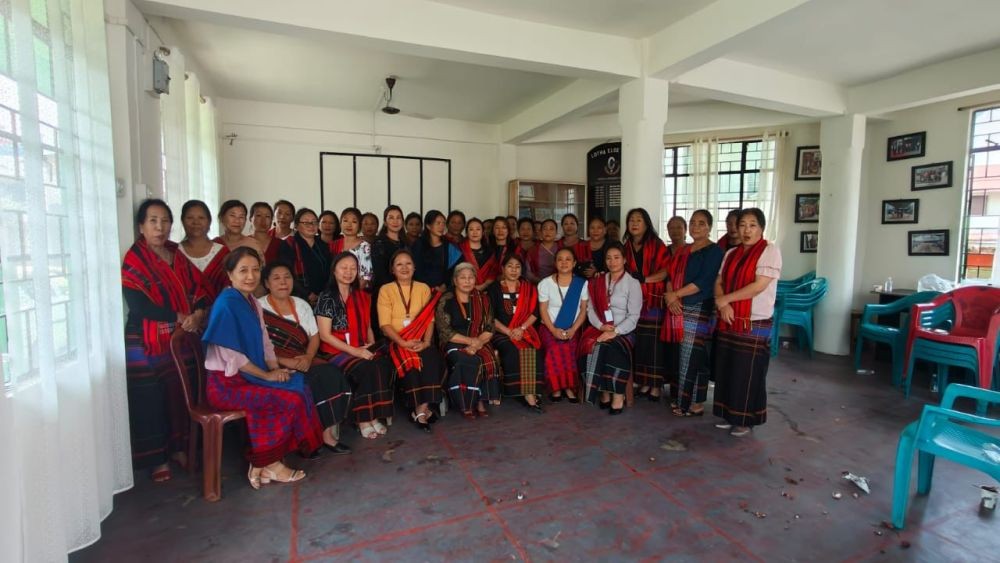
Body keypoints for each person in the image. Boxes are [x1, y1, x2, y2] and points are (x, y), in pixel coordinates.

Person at [202, 247, 323, 489]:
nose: (250, 276)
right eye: (243, 271)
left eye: (255, 270)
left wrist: (276, 369)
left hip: (248, 377)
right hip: (227, 386)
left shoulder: (251, 302)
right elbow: (233, 357)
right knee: (285, 398)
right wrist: (267, 376)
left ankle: (269, 462)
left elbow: (265, 342)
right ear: (230, 274)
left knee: (298, 384)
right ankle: (269, 463)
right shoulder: (226, 304)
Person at [122, 199, 208, 482]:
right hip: (146, 339)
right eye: (153, 221)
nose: (160, 227)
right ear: (141, 226)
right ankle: (157, 459)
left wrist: (198, 313)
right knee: (150, 399)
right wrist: (179, 315)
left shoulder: (176, 254)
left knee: (183, 390)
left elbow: (199, 287)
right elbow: (138, 305)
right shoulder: (135, 259)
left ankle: (180, 447)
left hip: (181, 334)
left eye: (165, 221)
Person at [259, 261, 352, 454]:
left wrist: (308, 358)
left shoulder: (301, 304)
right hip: (274, 363)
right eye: (276, 278)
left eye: (287, 277)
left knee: (331, 374)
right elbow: (258, 346)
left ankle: (327, 436)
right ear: (267, 283)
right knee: (307, 384)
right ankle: (307, 441)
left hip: (303, 358)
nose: (283, 282)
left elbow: (314, 336)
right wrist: (286, 361)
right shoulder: (258, 308)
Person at [712, 208, 782, 437]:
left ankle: (745, 420)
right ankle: (729, 414)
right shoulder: (731, 253)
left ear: (761, 228)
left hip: (754, 321)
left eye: (752, 225)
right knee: (728, 368)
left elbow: (759, 285)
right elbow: (719, 281)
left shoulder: (770, 251)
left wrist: (726, 299)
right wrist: (723, 304)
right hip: (729, 317)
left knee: (748, 371)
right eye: (742, 225)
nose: (746, 230)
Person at [315, 252, 396, 440]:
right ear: (334, 270)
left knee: (383, 364)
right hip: (336, 351)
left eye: (353, 268)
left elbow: (367, 326)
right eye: (344, 267)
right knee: (365, 368)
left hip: (360, 347)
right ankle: (363, 419)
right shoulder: (327, 297)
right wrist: (356, 352)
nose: (348, 272)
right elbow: (325, 335)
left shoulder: (361, 296)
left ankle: (375, 414)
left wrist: (370, 345)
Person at [661, 210, 724, 417]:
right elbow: (670, 275)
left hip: (699, 306)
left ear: (709, 227)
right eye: (693, 222)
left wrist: (675, 295)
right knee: (684, 355)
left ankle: (688, 404)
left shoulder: (714, 251)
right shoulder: (683, 250)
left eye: (701, 223)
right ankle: (690, 401)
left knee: (692, 356)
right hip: (678, 306)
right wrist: (671, 296)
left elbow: (704, 282)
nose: (696, 226)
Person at [377, 249, 444, 433]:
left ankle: (421, 409)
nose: (404, 267)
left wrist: (427, 342)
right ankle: (421, 410)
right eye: (399, 264)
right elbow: (385, 324)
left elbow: (430, 319)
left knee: (431, 357)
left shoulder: (423, 288)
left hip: (421, 338)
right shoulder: (386, 290)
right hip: (396, 341)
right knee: (411, 362)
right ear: (392, 269)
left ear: (414, 267)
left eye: (408, 263)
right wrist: (403, 342)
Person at [579, 242, 642, 414]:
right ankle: (604, 391)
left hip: (624, 331)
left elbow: (633, 316)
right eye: (608, 258)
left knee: (611, 346)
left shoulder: (632, 283)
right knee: (590, 346)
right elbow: (590, 309)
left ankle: (618, 394)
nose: (612, 262)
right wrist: (601, 326)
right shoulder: (597, 281)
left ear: (624, 260)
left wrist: (615, 331)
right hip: (600, 327)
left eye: (616, 257)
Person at [436, 263, 500, 418]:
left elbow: (490, 327)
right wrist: (471, 342)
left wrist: (477, 344)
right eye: (463, 278)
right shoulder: (446, 300)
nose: (467, 281)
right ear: (455, 280)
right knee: (466, 360)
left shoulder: (483, 298)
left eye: (471, 277)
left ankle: (480, 400)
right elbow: (445, 331)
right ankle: (467, 403)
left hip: (480, 340)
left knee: (487, 358)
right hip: (454, 341)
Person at [623, 208, 670, 400]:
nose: (634, 223)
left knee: (654, 344)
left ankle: (655, 386)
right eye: (631, 220)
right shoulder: (626, 246)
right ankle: (643, 382)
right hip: (633, 300)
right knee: (640, 343)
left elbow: (666, 270)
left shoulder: (657, 244)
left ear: (646, 223)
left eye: (639, 220)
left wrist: (645, 279)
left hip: (653, 300)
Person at [488, 254, 544, 413]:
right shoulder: (494, 288)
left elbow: (535, 313)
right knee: (512, 349)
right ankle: (527, 394)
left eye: (517, 267)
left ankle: (530, 390)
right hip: (501, 332)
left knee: (532, 348)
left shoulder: (529, 288)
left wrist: (522, 328)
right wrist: (508, 331)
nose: (514, 270)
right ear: (503, 268)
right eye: (510, 266)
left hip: (524, 330)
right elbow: (490, 316)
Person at [537, 247, 588, 403]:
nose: (564, 262)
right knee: (554, 348)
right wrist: (553, 330)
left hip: (572, 328)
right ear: (555, 263)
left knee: (570, 348)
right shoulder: (545, 284)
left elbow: (583, 310)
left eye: (568, 259)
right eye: (560, 259)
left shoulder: (581, 284)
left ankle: (569, 387)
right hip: (549, 327)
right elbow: (543, 310)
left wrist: (573, 329)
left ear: (574, 263)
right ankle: (557, 388)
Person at [179, 199, 230, 302]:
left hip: (218, 309)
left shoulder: (222, 252)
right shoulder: (174, 253)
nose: (196, 222)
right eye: (190, 218)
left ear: (209, 221)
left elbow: (230, 286)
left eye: (201, 218)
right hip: (183, 311)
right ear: (182, 221)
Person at [278, 208, 331, 306]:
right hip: (298, 296)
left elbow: (330, 271)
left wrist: (323, 293)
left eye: (314, 222)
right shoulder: (289, 244)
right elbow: (286, 273)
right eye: (306, 223)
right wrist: (307, 294)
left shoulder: (323, 245)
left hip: (322, 297)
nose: (311, 226)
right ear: (297, 226)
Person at [411, 209, 461, 292]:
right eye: (438, 223)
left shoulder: (448, 245)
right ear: (428, 226)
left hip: (444, 290)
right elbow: (416, 270)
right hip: (422, 290)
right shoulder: (419, 244)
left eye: (443, 223)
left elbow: (453, 271)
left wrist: (445, 284)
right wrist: (431, 287)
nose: (441, 227)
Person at [330, 207, 373, 287]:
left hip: (357, 290)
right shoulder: (333, 244)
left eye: (354, 222)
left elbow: (366, 276)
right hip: (335, 288)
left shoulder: (365, 246)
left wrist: (350, 292)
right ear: (340, 224)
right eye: (345, 221)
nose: (349, 225)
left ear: (359, 226)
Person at [458, 217, 497, 292]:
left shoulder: (490, 251)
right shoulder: (459, 250)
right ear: (467, 233)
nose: (475, 232)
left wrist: (483, 285)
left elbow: (493, 272)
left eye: (478, 229)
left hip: (487, 291)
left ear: (483, 232)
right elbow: (456, 273)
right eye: (471, 229)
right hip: (464, 290)